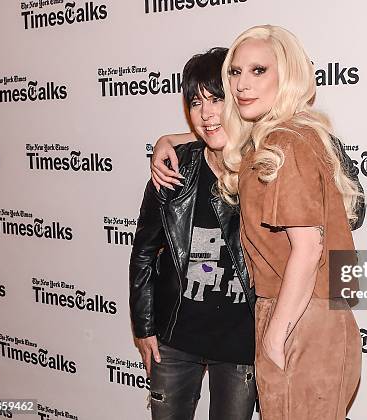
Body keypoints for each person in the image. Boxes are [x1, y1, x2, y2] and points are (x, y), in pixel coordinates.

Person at [219, 25, 362, 420]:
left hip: (300, 315)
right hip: (313, 309)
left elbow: (308, 247)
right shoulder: (291, 137)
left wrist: (276, 336)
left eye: (258, 71)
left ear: (289, 76)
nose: (241, 85)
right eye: (235, 72)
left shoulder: (284, 142)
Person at [129, 47, 257, 420]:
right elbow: (143, 253)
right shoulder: (172, 168)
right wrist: (144, 327)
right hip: (174, 340)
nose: (206, 112)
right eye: (196, 101)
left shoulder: (267, 165)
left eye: (217, 98)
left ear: (238, 98)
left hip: (242, 344)